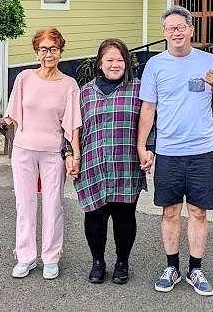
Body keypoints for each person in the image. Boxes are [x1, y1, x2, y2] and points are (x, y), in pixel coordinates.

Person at [137, 6, 213, 297]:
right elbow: (148, 108)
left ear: (191, 30)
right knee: (169, 211)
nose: (175, 32)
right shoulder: (155, 65)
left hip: (202, 151)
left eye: (181, 27)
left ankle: (195, 269)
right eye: (170, 28)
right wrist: (142, 146)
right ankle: (171, 267)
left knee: (198, 212)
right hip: (167, 152)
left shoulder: (208, 61)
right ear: (164, 33)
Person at [4, 27, 82, 280]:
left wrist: (74, 155)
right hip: (24, 150)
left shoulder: (69, 85)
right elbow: (14, 116)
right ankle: (25, 256)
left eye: (53, 49)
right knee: (24, 204)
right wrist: (23, 141)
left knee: (53, 205)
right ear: (36, 52)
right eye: (43, 49)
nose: (48, 54)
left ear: (60, 51)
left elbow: (72, 125)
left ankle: (51, 257)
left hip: (52, 153)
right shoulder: (24, 78)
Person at [71, 39, 148, 285]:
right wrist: (69, 154)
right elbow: (72, 128)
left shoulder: (139, 90)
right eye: (109, 60)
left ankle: (122, 262)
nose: (115, 65)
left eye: (120, 60)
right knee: (94, 216)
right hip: (93, 164)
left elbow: (150, 123)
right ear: (100, 64)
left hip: (126, 165)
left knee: (125, 218)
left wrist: (149, 149)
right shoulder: (84, 92)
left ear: (127, 62)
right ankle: (98, 262)